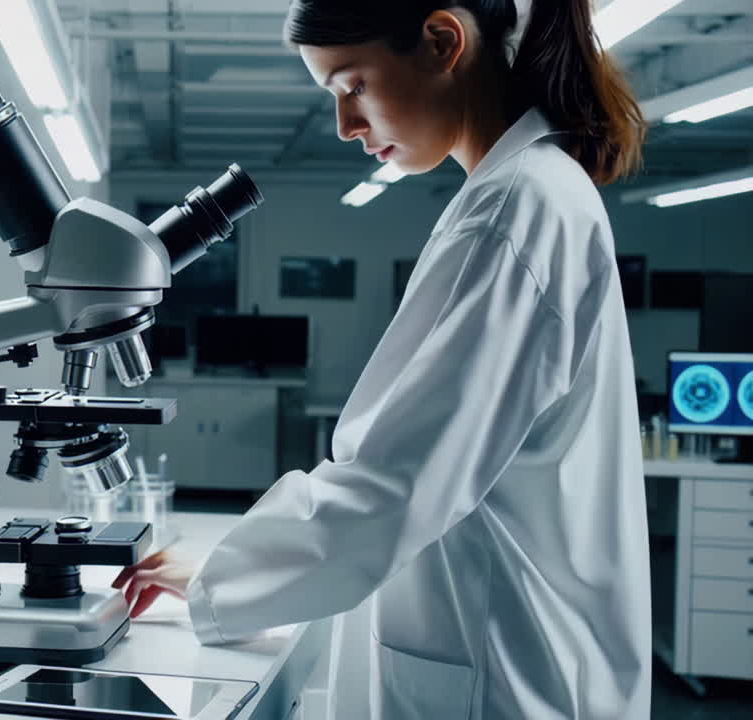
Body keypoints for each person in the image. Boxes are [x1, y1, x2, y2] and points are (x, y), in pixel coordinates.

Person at [112, 1, 652, 717]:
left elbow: (393, 489)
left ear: (440, 41)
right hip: (498, 647)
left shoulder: (516, 211)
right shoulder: (511, 197)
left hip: (508, 674)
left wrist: (218, 579)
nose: (345, 125)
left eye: (352, 84)